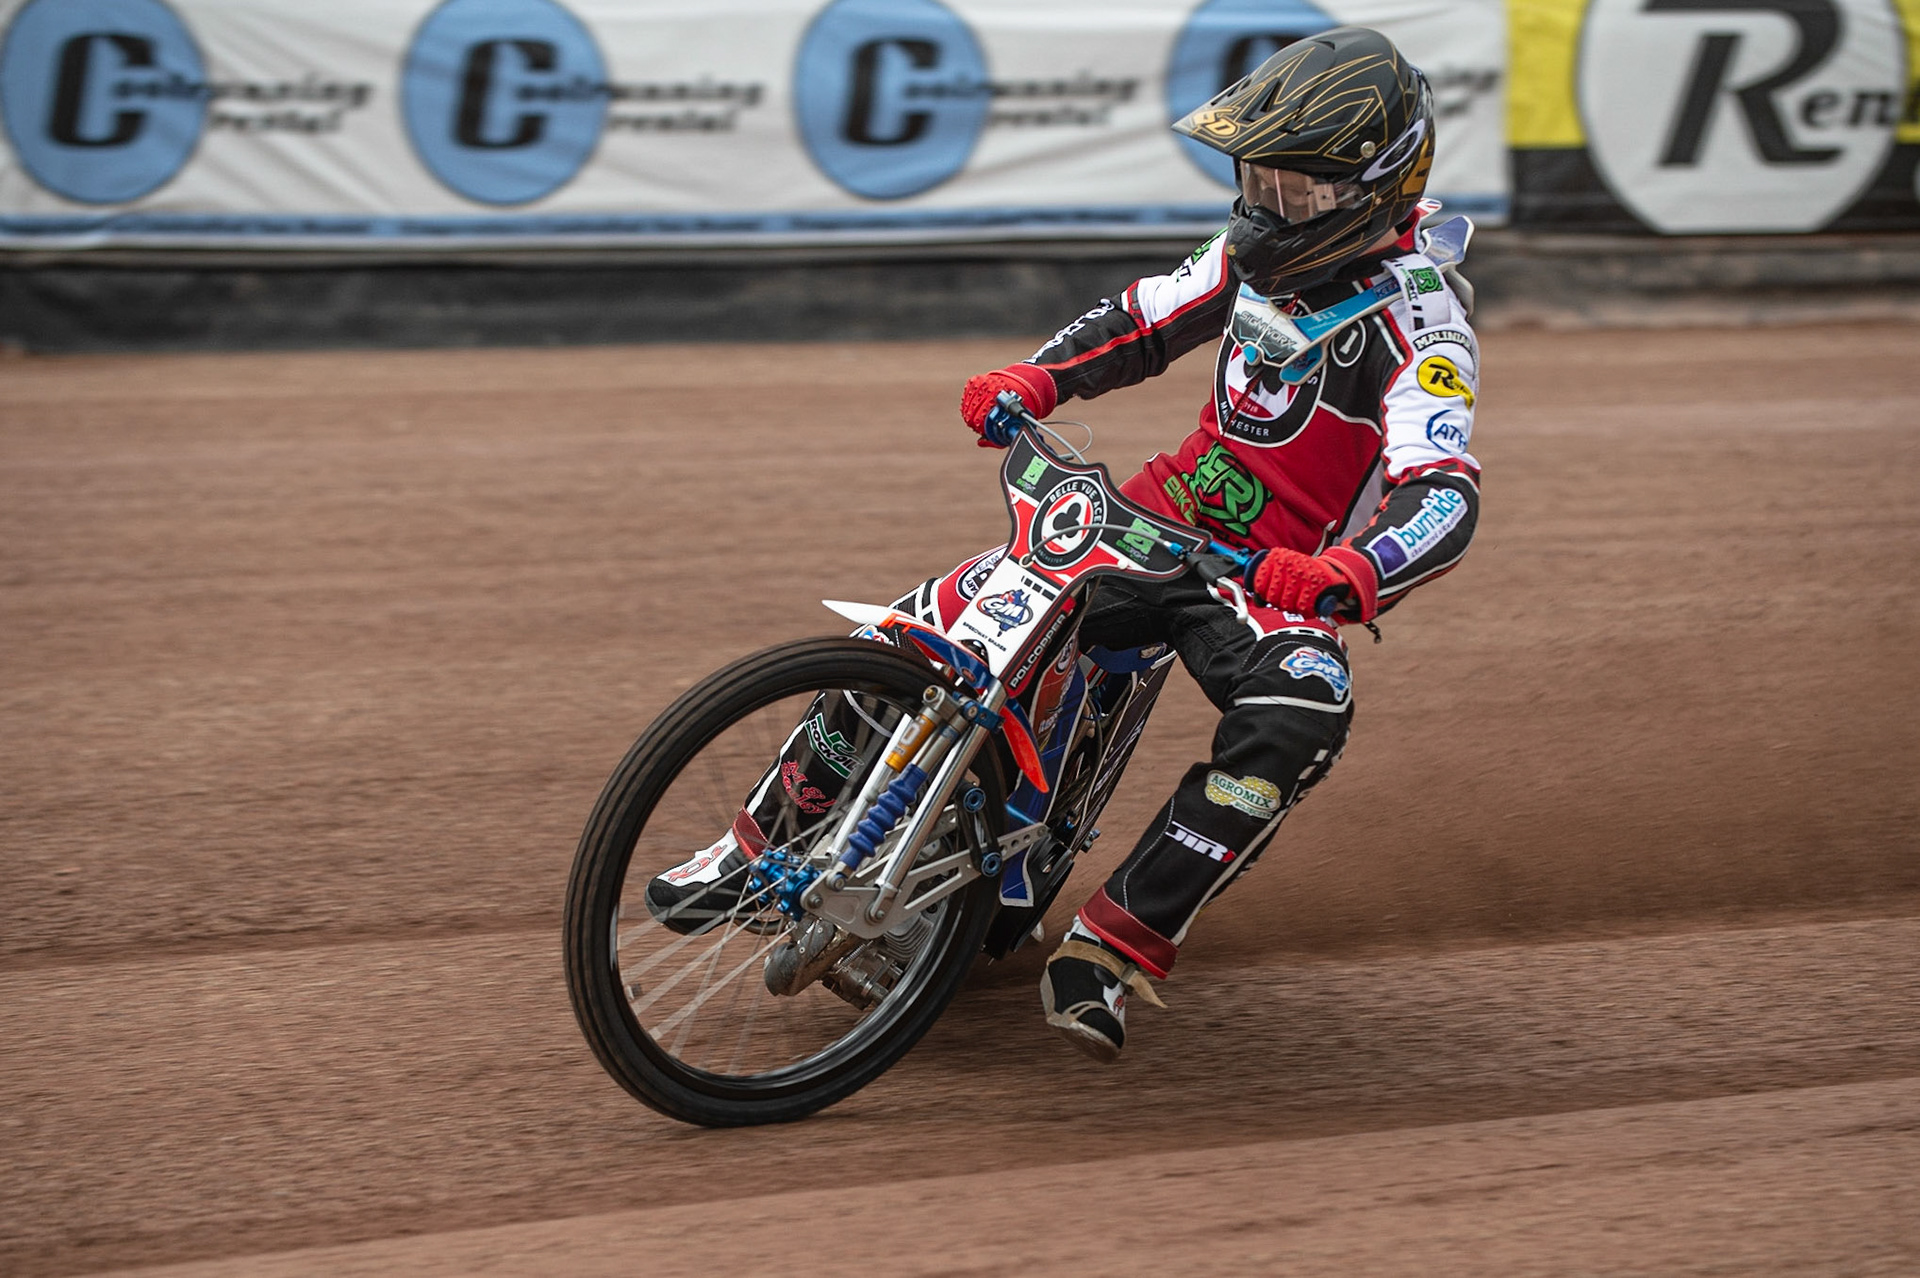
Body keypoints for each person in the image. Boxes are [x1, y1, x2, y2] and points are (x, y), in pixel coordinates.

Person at [651, 27, 1481, 1064]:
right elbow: (1140, 320)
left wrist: (1347, 573)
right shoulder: (1244, 254)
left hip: (1261, 579)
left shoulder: (1426, 324)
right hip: (1143, 519)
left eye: (1296, 190)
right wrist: (1034, 377)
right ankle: (751, 848)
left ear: (1376, 186)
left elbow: (1442, 494)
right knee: (926, 631)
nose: (1267, 207)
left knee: (1304, 707)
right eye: (1256, 179)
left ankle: (1116, 944)